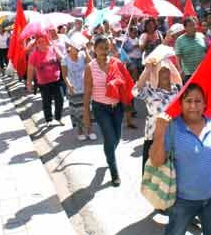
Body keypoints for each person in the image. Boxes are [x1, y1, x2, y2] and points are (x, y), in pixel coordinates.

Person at [149, 83, 211, 235]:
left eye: (198, 101)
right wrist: (159, 132)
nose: (193, 106)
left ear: (205, 104)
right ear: (180, 103)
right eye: (188, 101)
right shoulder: (172, 127)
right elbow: (157, 161)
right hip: (182, 201)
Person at [83, 36, 134, 187]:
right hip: (100, 108)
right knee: (109, 137)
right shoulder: (90, 67)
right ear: (94, 49)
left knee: (116, 138)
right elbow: (87, 92)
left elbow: (126, 83)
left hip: (116, 107)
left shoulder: (116, 63)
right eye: (101, 48)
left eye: (106, 48)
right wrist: (86, 113)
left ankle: (108, 153)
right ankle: (114, 172)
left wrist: (118, 80)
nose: (104, 51)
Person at [133, 59, 182, 172]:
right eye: (161, 71)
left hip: (174, 137)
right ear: (155, 74)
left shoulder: (177, 90)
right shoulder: (150, 91)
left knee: (172, 175)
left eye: (167, 71)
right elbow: (135, 91)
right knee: (151, 177)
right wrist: (148, 69)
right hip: (153, 137)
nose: (165, 74)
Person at [26, 35, 65, 126]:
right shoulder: (34, 55)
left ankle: (58, 118)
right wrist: (29, 83)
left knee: (60, 100)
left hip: (56, 80)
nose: (42, 44)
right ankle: (48, 120)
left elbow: (62, 59)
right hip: (43, 83)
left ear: (47, 41)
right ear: (36, 44)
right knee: (46, 102)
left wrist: (55, 48)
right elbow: (30, 69)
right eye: (39, 42)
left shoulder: (53, 49)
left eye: (43, 41)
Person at [62, 39, 95, 141]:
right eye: (75, 48)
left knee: (87, 109)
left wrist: (85, 51)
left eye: (78, 48)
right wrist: (69, 84)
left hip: (85, 86)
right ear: (70, 48)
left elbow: (92, 63)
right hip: (73, 89)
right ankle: (80, 131)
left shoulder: (82, 55)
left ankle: (90, 130)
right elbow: (64, 75)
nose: (77, 49)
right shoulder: (65, 59)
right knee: (77, 111)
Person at [174, 17, 206, 82]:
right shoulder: (180, 40)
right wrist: (180, 70)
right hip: (188, 74)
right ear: (185, 28)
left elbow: (206, 51)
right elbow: (178, 57)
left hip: (202, 72)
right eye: (190, 26)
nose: (193, 27)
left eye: (194, 25)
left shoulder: (201, 36)